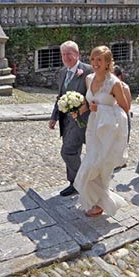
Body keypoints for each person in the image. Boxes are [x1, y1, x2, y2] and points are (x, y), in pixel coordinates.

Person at [73, 46, 130, 217]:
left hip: (108, 131)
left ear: (107, 63)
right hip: (93, 128)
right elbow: (89, 102)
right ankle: (97, 200)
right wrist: (79, 111)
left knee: (100, 166)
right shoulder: (89, 79)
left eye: (100, 59)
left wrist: (103, 109)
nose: (95, 63)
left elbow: (125, 108)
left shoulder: (114, 83)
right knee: (90, 163)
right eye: (93, 59)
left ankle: (102, 202)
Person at [49, 41, 92, 197]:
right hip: (65, 120)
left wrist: (83, 108)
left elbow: (94, 95)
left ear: (77, 54)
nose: (66, 57)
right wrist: (54, 117)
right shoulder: (62, 72)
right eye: (63, 54)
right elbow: (60, 96)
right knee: (73, 150)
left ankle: (85, 179)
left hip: (83, 120)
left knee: (67, 152)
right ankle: (74, 183)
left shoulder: (87, 71)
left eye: (69, 54)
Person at [113, 65, 132, 168]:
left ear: (119, 76)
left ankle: (121, 160)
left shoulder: (124, 87)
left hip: (122, 115)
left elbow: (128, 106)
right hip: (110, 115)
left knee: (122, 139)